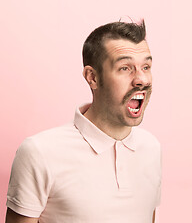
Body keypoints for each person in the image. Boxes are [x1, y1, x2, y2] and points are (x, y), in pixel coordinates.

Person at [5, 19, 161, 223]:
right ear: (92, 77)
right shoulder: (39, 152)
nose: (143, 80)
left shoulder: (151, 147)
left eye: (146, 66)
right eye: (125, 68)